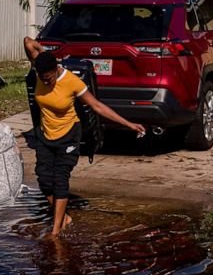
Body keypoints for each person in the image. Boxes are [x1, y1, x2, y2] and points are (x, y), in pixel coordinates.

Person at [23, 37, 146, 237]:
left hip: (68, 134)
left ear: (56, 70)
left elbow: (96, 106)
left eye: (49, 78)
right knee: (45, 180)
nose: (45, 81)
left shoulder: (71, 81)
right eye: (42, 77)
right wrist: (45, 52)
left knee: (60, 179)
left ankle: (55, 232)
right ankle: (64, 217)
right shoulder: (40, 68)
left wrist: (129, 124)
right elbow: (28, 42)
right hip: (45, 134)